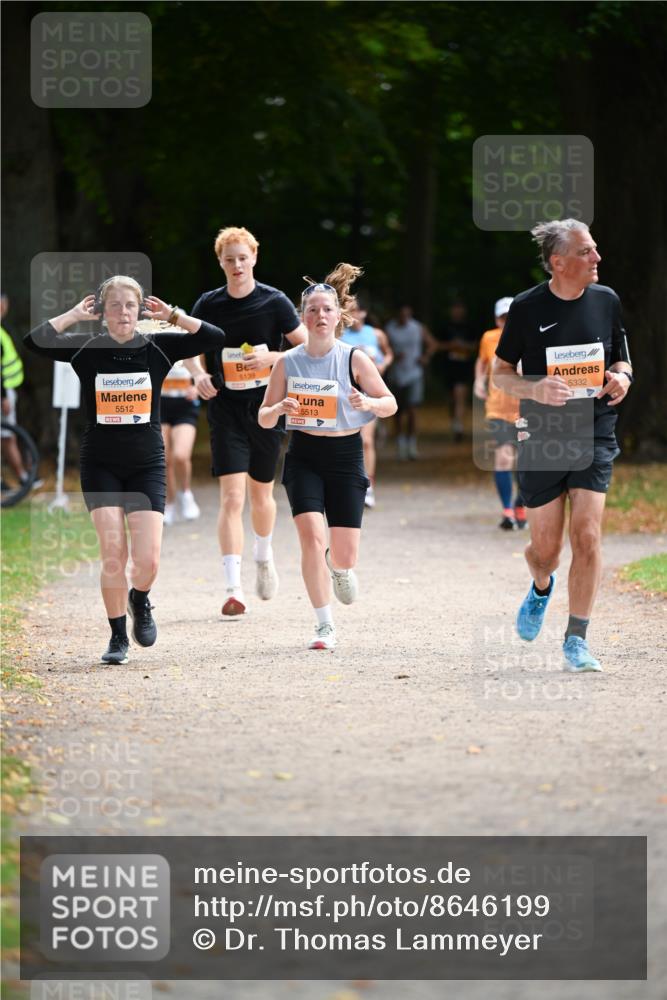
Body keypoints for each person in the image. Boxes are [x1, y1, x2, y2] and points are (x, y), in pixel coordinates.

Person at [24, 276, 225, 665]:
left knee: (148, 560)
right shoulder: (86, 348)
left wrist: (173, 316)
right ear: (102, 313)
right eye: (113, 305)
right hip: (100, 463)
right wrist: (73, 315)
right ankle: (118, 637)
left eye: (129, 305)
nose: (123, 313)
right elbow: (35, 340)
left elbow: (214, 336)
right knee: (114, 553)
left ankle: (140, 598)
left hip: (147, 462)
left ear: (139, 310)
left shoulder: (159, 347)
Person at [493, 219, 633, 673]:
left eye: (594, 249)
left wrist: (622, 377)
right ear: (559, 262)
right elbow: (499, 374)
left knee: (588, 535)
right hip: (543, 437)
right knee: (546, 550)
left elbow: (621, 356)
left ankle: (576, 638)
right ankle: (539, 586)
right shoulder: (528, 307)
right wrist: (535, 390)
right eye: (586, 252)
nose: (597, 258)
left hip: (594, 429)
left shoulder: (606, 299)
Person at [258, 264, 396, 650]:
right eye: (313, 310)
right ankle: (323, 624)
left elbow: (390, 403)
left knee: (345, 553)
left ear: (339, 316)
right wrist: (280, 407)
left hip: (346, 455)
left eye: (327, 309)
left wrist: (366, 401)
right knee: (310, 538)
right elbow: (264, 417)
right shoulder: (287, 362)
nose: (320, 316)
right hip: (304, 455)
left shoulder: (355, 358)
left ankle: (341, 567)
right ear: (304, 316)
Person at [184, 226, 306, 616]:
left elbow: (307, 346)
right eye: (229, 259)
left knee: (260, 495)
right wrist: (198, 374)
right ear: (219, 261)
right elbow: (188, 344)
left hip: (267, 406)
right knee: (232, 497)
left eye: (242, 257)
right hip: (225, 408)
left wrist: (274, 358)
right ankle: (232, 588)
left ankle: (263, 556)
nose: (236, 265)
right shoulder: (209, 303)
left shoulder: (275, 302)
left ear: (254, 257)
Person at [474, 296, 527, 530]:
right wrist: (478, 380)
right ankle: (507, 510)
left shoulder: (530, 334)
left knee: (528, 461)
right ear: (496, 319)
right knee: (504, 456)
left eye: (511, 317)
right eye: (503, 318)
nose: (506, 322)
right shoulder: (489, 338)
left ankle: (520, 505)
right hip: (498, 408)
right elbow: (482, 361)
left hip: (527, 407)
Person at [340, 297, 393, 507]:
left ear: (364, 313)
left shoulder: (376, 334)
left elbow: (389, 354)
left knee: (366, 440)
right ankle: (348, 483)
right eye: (350, 312)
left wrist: (383, 366)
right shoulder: (340, 335)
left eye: (357, 312)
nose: (354, 316)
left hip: (369, 394)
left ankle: (368, 485)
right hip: (345, 394)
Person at [385, 305, 437, 460]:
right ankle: (401, 444)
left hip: (414, 374)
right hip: (396, 375)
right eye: (401, 315)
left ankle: (412, 444)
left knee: (413, 410)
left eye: (407, 315)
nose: (404, 318)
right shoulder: (390, 329)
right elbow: (383, 348)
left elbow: (432, 344)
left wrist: (425, 357)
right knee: (398, 412)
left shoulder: (417, 328)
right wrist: (393, 355)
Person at [158, 356, 201, 525]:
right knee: (164, 459)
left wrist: (197, 387)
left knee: (180, 455)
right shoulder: (152, 332)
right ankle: (169, 503)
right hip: (160, 404)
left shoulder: (192, 334)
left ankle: (186, 493)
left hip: (185, 405)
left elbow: (202, 372)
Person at [1, 293, 36, 488]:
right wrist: (3, 396)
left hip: (6, 390)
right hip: (3, 393)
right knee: (8, 436)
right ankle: (23, 478)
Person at [437, 300, 478, 442]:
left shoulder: (469, 327)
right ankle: (455, 422)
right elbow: (437, 345)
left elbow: (476, 346)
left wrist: (463, 346)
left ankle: (458, 426)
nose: (457, 311)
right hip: (448, 367)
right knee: (452, 398)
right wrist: (451, 345)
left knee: (460, 394)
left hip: (464, 366)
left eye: (460, 308)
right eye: (455, 308)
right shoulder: (445, 327)